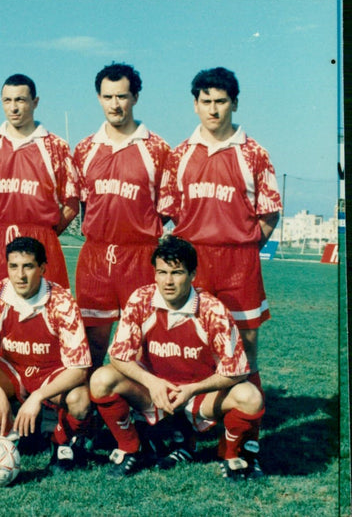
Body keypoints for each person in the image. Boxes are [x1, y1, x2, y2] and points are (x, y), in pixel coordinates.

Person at [89, 235, 265, 480]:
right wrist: (152, 382)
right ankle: (131, 448)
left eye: (177, 273)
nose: (168, 281)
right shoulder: (141, 299)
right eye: (162, 272)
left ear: (193, 274)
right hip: (155, 391)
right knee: (101, 379)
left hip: (199, 394)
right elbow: (118, 356)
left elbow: (238, 370)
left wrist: (193, 389)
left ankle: (230, 455)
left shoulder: (212, 310)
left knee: (250, 396)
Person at [158, 67, 282, 391]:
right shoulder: (180, 154)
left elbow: (269, 213)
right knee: (188, 341)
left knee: (246, 342)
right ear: (195, 105)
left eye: (222, 101)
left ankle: (247, 429)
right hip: (193, 262)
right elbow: (165, 210)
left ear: (235, 104)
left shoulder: (254, 153)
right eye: (206, 101)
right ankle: (193, 416)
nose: (214, 109)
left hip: (239, 262)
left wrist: (245, 247)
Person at [0, 237, 92, 474]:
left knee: (79, 400)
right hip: (13, 371)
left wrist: (37, 396)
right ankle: (9, 431)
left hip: (52, 374)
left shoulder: (62, 302)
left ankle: (62, 439)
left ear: (42, 268)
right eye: (13, 266)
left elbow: (79, 369)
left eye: (28, 266)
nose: (20, 275)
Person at [72, 63, 171, 367]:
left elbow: (167, 206)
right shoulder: (85, 148)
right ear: (99, 98)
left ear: (135, 97)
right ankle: (86, 410)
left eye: (122, 96)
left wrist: (138, 228)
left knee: (142, 340)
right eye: (108, 97)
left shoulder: (158, 149)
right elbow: (84, 203)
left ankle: (140, 409)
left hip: (140, 255)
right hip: (96, 256)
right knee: (92, 339)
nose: (115, 104)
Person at [0, 74, 79, 304]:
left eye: (21, 100)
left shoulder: (56, 146)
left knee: (46, 322)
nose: (14, 108)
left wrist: (44, 232)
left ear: (35, 102)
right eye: (8, 101)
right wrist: (1, 229)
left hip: (42, 242)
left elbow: (72, 203)